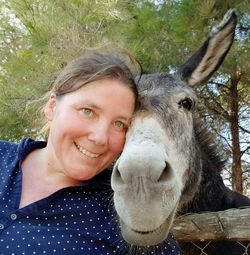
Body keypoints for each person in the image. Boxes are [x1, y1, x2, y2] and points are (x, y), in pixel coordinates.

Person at [0, 51, 183, 255]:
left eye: (119, 124)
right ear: (52, 107)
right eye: (87, 111)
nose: (100, 138)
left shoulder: (123, 212)